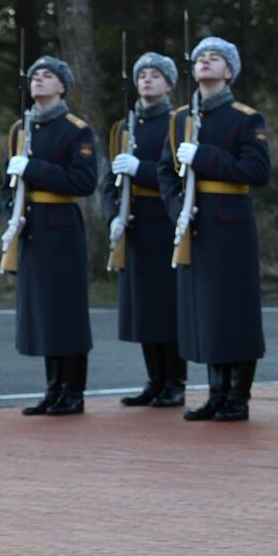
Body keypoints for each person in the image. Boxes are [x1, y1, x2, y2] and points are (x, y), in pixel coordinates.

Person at [158, 36, 270, 422]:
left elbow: (257, 172)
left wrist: (205, 155)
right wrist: (178, 210)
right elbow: (165, 173)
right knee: (203, 311)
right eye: (201, 57)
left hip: (231, 225)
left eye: (215, 58)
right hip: (195, 224)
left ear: (229, 71)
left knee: (233, 310)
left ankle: (238, 396)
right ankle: (216, 392)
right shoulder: (180, 119)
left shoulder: (245, 118)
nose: (205, 62)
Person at [1, 56, 98, 416]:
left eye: (48, 77)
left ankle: (74, 390)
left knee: (66, 310)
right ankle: (54, 387)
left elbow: (83, 182)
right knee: (42, 312)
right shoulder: (20, 129)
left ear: (62, 86)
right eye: (35, 76)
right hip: (31, 228)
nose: (38, 81)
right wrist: (11, 215)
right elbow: (6, 183)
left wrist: (35, 169)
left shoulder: (76, 130)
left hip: (61, 227)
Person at [105, 52, 187, 407]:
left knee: (166, 307)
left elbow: (180, 175)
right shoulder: (125, 126)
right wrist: (114, 214)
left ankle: (175, 381)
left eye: (156, 75)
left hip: (162, 221)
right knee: (141, 308)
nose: (147, 80)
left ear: (169, 84)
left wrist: (141, 168)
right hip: (134, 223)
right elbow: (111, 180)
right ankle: (154, 379)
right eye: (142, 75)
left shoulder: (177, 123)